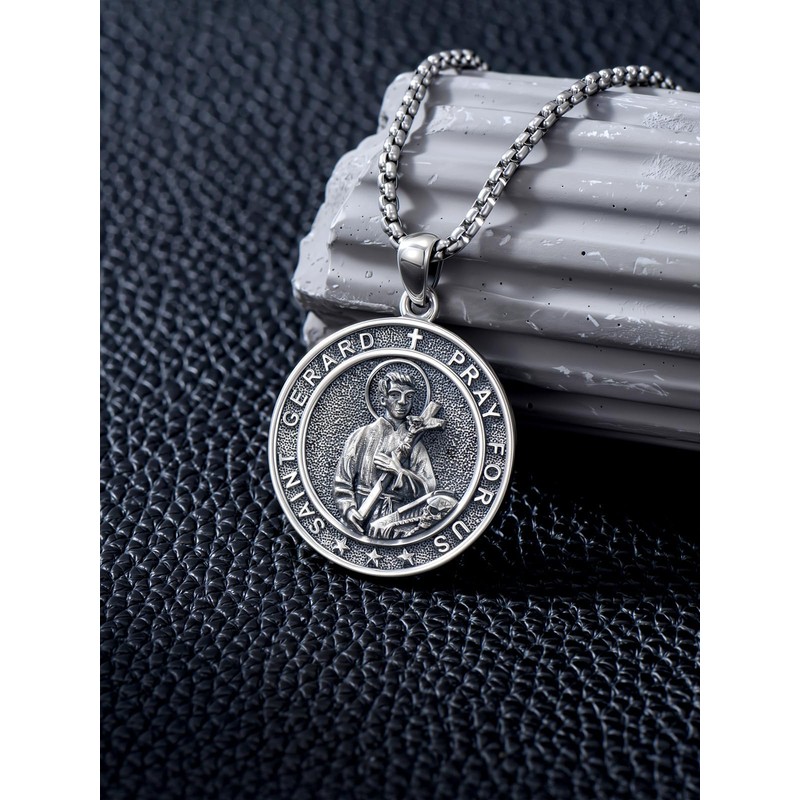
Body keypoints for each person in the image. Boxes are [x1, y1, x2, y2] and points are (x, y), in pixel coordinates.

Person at [334, 370, 436, 533]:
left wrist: (399, 472)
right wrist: (348, 509)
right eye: (395, 395)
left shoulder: (415, 443)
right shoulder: (362, 435)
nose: (402, 402)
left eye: (409, 396)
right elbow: (342, 480)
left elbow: (429, 489)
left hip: (396, 521)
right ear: (383, 399)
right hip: (362, 511)